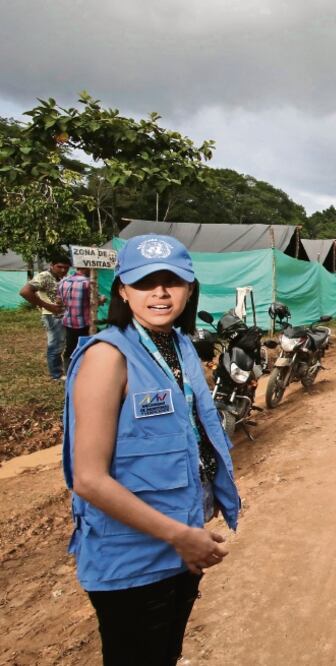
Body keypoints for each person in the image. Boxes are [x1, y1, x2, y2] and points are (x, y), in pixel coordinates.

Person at [62, 234, 241, 665]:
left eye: (172, 281)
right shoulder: (108, 358)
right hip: (133, 561)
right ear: (122, 290)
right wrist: (180, 536)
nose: (160, 293)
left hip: (182, 549)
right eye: (145, 282)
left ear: (189, 288)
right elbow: (88, 478)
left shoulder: (180, 346)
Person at [19, 256, 71, 379]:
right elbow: (25, 291)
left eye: (66, 268)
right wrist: (47, 306)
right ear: (52, 265)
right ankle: (56, 375)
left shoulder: (63, 278)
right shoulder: (44, 276)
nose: (63, 270)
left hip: (64, 315)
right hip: (52, 316)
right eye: (60, 267)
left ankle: (63, 371)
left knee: (63, 344)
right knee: (56, 345)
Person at [57, 266, 106, 369]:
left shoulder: (63, 281)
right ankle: (86, 369)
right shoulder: (87, 283)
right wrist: (102, 300)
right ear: (87, 268)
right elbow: (95, 302)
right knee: (89, 347)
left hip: (69, 321)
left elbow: (59, 301)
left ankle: (69, 372)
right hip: (84, 322)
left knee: (70, 348)